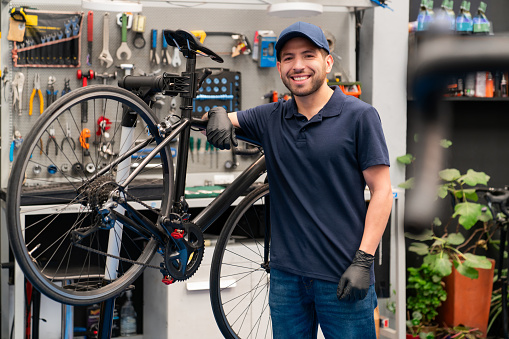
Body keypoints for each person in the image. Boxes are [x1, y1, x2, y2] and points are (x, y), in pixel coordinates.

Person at [205, 21, 393, 339]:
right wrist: (218, 111)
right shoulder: (272, 117)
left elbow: (382, 191)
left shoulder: (359, 116)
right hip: (286, 279)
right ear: (279, 67)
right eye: (289, 58)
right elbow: (221, 120)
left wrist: (364, 260)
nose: (298, 66)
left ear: (328, 62)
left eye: (309, 55)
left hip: (343, 273)